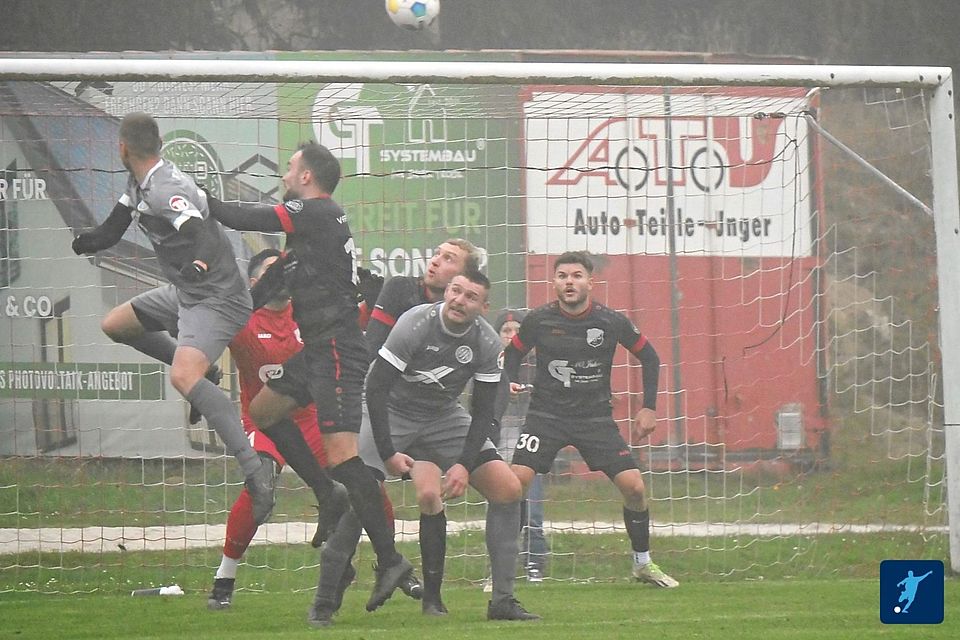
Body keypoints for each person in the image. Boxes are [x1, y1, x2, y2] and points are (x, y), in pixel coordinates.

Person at [205, 141, 414, 614]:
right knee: (263, 410)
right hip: (317, 350)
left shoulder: (318, 211)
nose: (284, 174)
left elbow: (248, 217)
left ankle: (390, 559)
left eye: (290, 167)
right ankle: (327, 493)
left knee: (344, 457)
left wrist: (202, 202)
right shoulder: (308, 238)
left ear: (306, 178)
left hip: (339, 348)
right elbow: (271, 283)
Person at [70, 112, 276, 525]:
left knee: (182, 377)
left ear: (123, 148)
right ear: (158, 144)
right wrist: (83, 242)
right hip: (187, 293)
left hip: (217, 298)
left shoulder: (165, 189)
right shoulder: (139, 182)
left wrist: (199, 264)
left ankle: (257, 471)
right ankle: (209, 378)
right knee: (116, 325)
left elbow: (200, 229)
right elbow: (112, 230)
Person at [308, 238, 481, 626]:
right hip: (382, 406)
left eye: (448, 259)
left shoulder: (473, 325)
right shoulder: (402, 289)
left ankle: (480, 596)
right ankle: (326, 600)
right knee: (361, 494)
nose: (435, 261)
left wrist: (467, 460)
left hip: (436, 417)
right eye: (436, 253)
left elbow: (480, 382)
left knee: (499, 485)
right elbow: (373, 356)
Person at [361, 270, 540, 621]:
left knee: (508, 490)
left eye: (470, 296)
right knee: (357, 487)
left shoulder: (487, 343)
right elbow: (376, 388)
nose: (459, 300)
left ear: (483, 306)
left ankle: (502, 600)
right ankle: (327, 599)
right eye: (455, 291)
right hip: (392, 412)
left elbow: (484, 411)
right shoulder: (414, 323)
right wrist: (386, 452)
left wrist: (463, 464)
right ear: (446, 293)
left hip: (443, 418)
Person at [503, 251, 679, 588]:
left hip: (595, 418)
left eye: (577, 275)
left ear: (590, 282)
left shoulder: (610, 321)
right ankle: (502, 566)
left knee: (635, 488)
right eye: (563, 276)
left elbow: (650, 357)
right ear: (554, 282)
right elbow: (512, 354)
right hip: (546, 416)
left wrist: (649, 407)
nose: (569, 282)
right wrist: (509, 380)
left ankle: (642, 563)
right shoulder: (538, 320)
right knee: (514, 484)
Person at [207, 249, 351, 610]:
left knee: (360, 482)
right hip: (262, 420)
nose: (284, 276)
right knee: (261, 491)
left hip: (311, 419)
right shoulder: (242, 318)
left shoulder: (307, 312)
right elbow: (202, 345)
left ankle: (385, 565)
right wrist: (202, 374)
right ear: (255, 282)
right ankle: (224, 580)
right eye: (273, 271)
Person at [491, 309, 547, 583]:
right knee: (505, 504)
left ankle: (535, 562)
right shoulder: (489, 362)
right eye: (506, 331)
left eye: (517, 331)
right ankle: (501, 566)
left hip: (532, 435)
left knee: (532, 505)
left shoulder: (540, 364)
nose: (511, 336)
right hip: (502, 438)